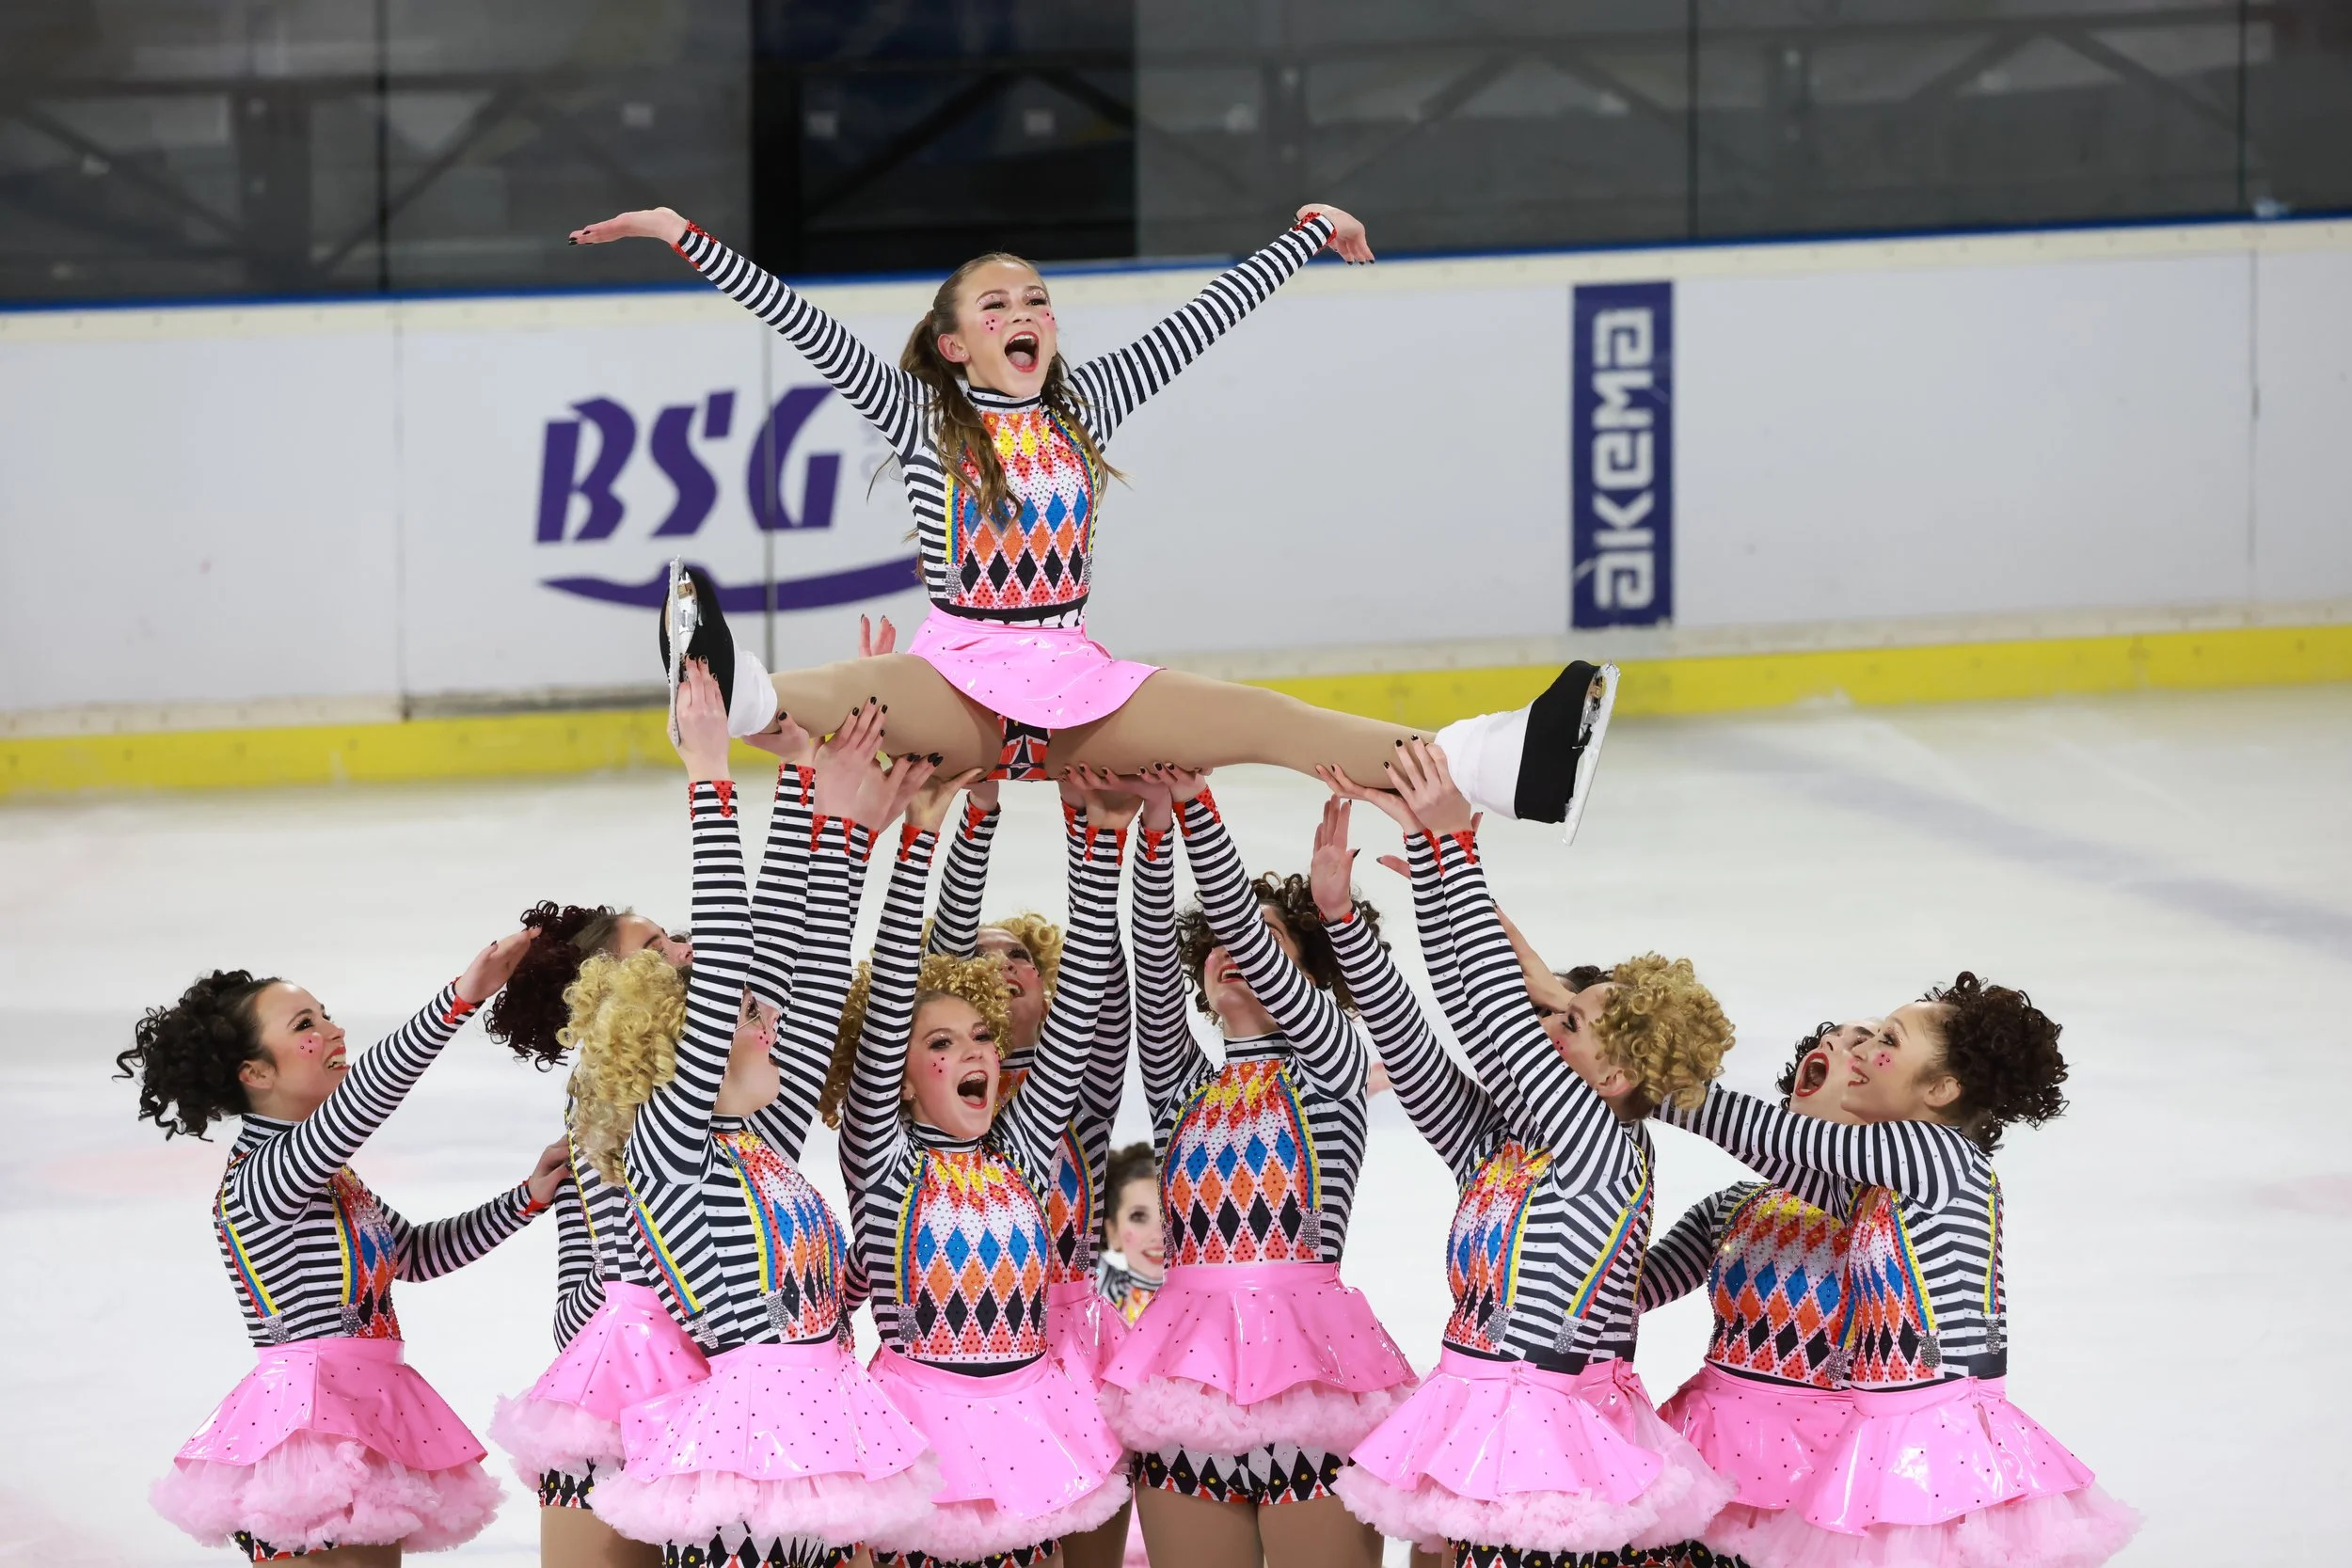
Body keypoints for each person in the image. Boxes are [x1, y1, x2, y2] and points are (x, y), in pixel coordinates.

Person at [571, 200, 1617, 832]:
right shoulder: (918, 414)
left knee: (1269, 721)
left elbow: (1204, 318)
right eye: (996, 307)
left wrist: (1305, 234)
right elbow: (796, 318)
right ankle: (724, 681)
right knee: (856, 693)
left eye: (1035, 299)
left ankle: (1502, 764)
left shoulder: (1088, 406)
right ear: (953, 345)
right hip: (958, 674)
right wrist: (679, 234)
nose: (1023, 313)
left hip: (1079, 681)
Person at [1308, 753, 1738, 1568]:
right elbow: (1431, 1038)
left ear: (1614, 1076)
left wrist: (1453, 853)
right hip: (1475, 1415)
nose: (1548, 1023)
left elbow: (1499, 1016)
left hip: (1545, 1445)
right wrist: (1348, 920)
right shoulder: (1508, 1149)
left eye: (1570, 1022)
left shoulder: (1603, 1150)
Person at [488, 706, 865, 1565]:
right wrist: (713, 775)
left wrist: (813, 793)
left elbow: (786, 972)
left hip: (735, 1385)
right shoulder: (641, 1108)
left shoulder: (730, 1111)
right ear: (617, 996)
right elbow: (744, 958)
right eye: (658, 948)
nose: (686, 949)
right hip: (637, 1381)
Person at [583, 673, 937, 1568]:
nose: (767, 1020)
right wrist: (709, 770)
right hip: (755, 1446)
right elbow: (740, 953)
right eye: (741, 1014)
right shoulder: (670, 1146)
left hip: (826, 1420)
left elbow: (806, 971)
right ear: (690, 1040)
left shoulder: (756, 1148)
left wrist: (832, 809)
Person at [1657, 980, 2140, 1568]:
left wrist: (1644, 1083)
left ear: (1940, 1089)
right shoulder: (1883, 1189)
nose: (1862, 1050)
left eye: (1888, 1040)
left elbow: (1775, 1135)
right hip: (1899, 1425)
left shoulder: (1935, 1154)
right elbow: (1781, 1161)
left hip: (1937, 1439)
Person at [124, 933, 560, 1564]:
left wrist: (527, 1198)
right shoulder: (264, 1175)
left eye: (325, 1014)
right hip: (307, 1426)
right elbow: (363, 1102)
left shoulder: (329, 1176)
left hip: (359, 1412)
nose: (333, 1031)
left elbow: (415, 1255)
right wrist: (459, 1000)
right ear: (256, 1073)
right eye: (305, 1024)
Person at [822, 762, 1134, 1567]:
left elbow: (1078, 1001)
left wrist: (1101, 844)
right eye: (942, 1043)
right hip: (918, 1434)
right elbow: (895, 991)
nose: (973, 1053)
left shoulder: (1019, 1151)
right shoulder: (883, 1159)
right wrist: (929, 836)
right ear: (900, 1072)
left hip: (1029, 1425)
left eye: (982, 1037)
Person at [1104, 766, 1412, 1568]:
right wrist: (1156, 829)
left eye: (1262, 937)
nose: (1231, 948)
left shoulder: (1331, 1069)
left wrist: (1198, 810)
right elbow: (1151, 974)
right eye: (1217, 939)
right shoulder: (1182, 1089)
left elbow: (1265, 961)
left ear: (1305, 973)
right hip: (1185, 1382)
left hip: (1312, 1379)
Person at [1635, 1022, 1876, 1566]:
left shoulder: (1886, 1210)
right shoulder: (1734, 1203)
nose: (1834, 1044)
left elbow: (1928, 1341)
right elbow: (1633, 1289)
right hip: (1706, 1445)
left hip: (1829, 1459)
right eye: (1833, 1038)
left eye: (1861, 1045)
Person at [1093, 1142, 1165, 1328]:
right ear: (1113, 1232)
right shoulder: (1099, 1292)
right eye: (1138, 1216)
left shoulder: (1211, 1298)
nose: (1159, 1234)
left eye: (1168, 1215)